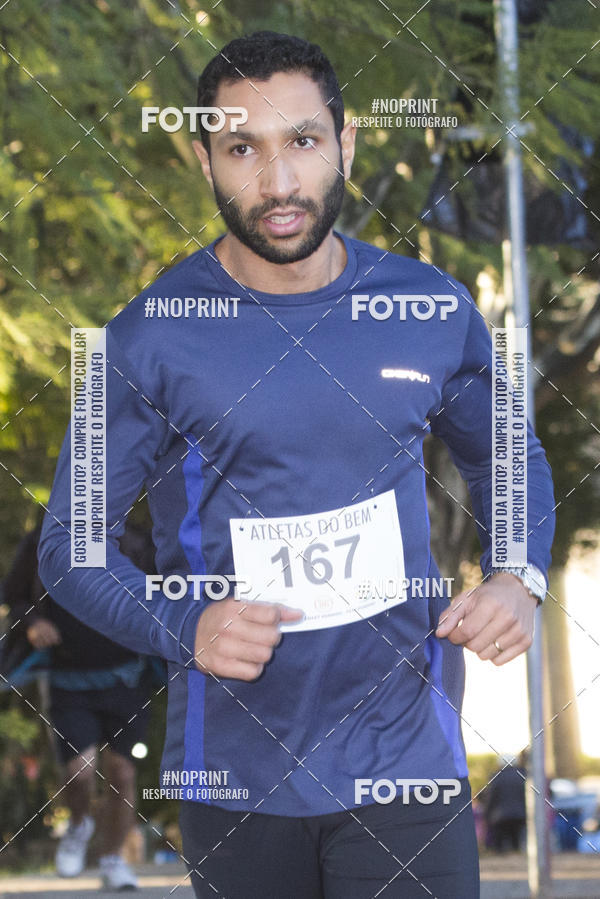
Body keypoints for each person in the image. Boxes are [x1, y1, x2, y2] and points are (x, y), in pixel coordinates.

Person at [38, 30, 556, 898]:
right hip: (236, 772)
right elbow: (69, 545)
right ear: (205, 157)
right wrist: (187, 626)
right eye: (244, 149)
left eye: (304, 142)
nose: (279, 184)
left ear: (345, 143)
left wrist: (518, 574)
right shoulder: (143, 339)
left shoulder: (428, 306)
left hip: (406, 758)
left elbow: (509, 449)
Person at [4, 520, 155, 890]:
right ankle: (78, 825)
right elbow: (14, 595)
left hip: (127, 678)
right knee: (81, 771)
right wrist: (33, 623)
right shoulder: (44, 537)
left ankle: (113, 859)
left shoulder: (136, 539)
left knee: (122, 773)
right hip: (66, 677)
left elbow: (163, 594)